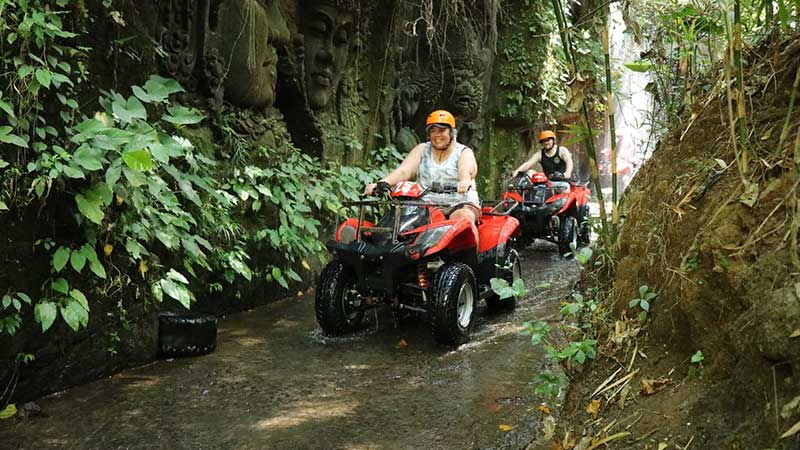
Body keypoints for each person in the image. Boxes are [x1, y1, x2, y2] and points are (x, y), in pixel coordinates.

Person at [364, 109, 481, 240]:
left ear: (452, 132)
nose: (437, 135)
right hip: (426, 204)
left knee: (463, 219)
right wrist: (382, 183)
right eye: (433, 131)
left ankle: (470, 259)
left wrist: (464, 181)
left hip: (458, 203)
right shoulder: (422, 149)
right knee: (401, 219)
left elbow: (465, 170)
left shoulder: (463, 152)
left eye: (441, 131)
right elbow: (405, 170)